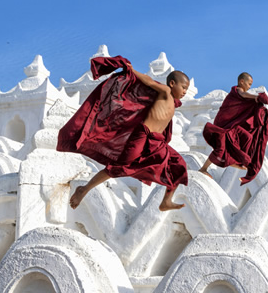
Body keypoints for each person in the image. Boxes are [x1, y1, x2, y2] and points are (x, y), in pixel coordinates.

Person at [58, 56, 190, 212]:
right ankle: (84, 189)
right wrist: (132, 71)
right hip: (142, 136)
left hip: (156, 142)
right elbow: (148, 81)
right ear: (173, 84)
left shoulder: (173, 103)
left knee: (178, 164)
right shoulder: (166, 92)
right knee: (120, 166)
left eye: (187, 89)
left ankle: (166, 201)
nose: (185, 92)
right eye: (183, 87)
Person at [199, 72, 268, 184]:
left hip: (233, 126)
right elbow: (243, 95)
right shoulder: (237, 91)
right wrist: (256, 97)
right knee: (220, 148)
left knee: (247, 137)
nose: (249, 86)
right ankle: (203, 168)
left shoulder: (242, 95)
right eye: (249, 83)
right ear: (242, 82)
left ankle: (239, 160)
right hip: (224, 125)